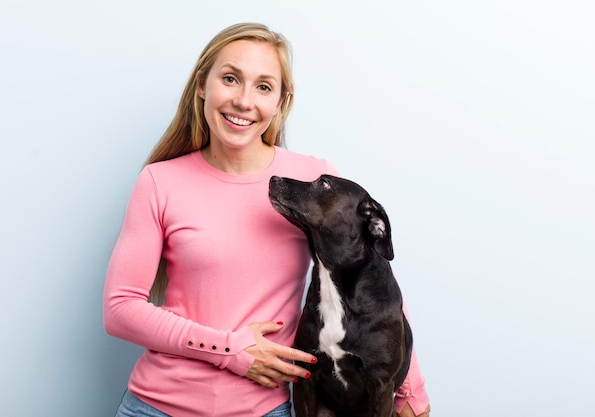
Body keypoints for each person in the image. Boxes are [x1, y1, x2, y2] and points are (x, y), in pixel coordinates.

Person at [103, 22, 430, 417]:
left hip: (266, 410)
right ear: (202, 85)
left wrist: (411, 394)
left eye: (263, 86)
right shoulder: (160, 181)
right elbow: (120, 309)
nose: (243, 101)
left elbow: (376, 288)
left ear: (280, 102)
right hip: (155, 407)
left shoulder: (313, 184)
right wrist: (229, 350)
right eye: (230, 78)